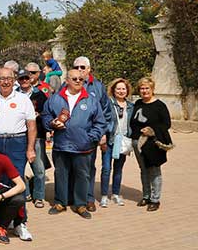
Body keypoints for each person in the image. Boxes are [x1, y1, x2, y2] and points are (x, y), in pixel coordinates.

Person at [0, 67, 36, 241]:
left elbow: (31, 126)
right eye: (1, 78)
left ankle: (20, 222)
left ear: (14, 79)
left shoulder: (23, 99)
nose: (5, 81)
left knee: (18, 181)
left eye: (9, 78)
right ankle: (1, 220)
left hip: (17, 142)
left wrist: (30, 148)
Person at [42, 68, 107, 219]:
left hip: (83, 146)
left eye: (81, 79)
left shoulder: (90, 99)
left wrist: (90, 137)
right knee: (61, 174)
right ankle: (60, 202)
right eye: (74, 78)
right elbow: (45, 115)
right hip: (61, 144)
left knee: (82, 176)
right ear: (67, 80)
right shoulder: (55, 98)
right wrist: (51, 123)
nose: (78, 81)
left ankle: (81, 204)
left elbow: (100, 123)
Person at [71, 56, 113, 212]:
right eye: (77, 67)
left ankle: (88, 198)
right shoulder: (66, 85)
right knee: (71, 167)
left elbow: (106, 112)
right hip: (71, 136)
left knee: (88, 167)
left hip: (91, 135)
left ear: (89, 69)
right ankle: (73, 197)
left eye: (83, 67)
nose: (80, 70)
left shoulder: (98, 87)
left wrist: (102, 133)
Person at [130, 77, 172, 212]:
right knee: (143, 170)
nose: (144, 91)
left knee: (154, 170)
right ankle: (146, 196)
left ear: (152, 89)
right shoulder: (137, 103)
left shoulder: (159, 105)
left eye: (147, 88)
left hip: (153, 142)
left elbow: (166, 124)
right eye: (142, 88)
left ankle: (155, 199)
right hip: (138, 142)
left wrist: (152, 130)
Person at [17, 69, 49, 208]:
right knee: (20, 168)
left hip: (37, 135)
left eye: (26, 78)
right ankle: (26, 193)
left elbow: (46, 112)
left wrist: (39, 114)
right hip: (19, 135)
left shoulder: (40, 94)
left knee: (39, 168)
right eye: (21, 78)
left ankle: (39, 196)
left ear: (30, 79)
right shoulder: (15, 94)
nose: (24, 81)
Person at [100, 78, 134, 207]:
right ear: (113, 90)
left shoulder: (131, 106)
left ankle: (115, 194)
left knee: (118, 169)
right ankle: (104, 195)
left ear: (127, 90)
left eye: (123, 89)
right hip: (109, 140)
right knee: (106, 169)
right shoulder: (108, 104)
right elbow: (102, 120)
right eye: (118, 89)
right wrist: (102, 136)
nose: (121, 91)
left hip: (123, 141)